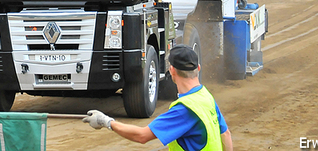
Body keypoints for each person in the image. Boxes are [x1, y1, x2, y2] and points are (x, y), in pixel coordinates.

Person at [83, 44, 233, 151]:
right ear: (198, 68)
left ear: (171, 70)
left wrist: (107, 122)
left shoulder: (185, 109)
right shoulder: (205, 96)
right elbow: (225, 134)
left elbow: (142, 136)